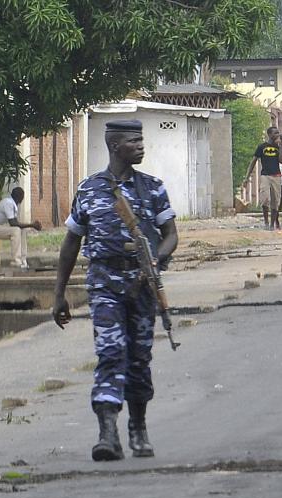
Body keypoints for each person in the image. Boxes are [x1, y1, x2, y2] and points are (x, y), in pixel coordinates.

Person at [53, 119, 178, 463]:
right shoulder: (90, 189)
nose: (141, 146)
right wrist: (58, 293)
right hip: (104, 282)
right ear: (114, 146)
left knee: (139, 357)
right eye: (133, 141)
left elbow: (171, 233)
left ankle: (137, 427)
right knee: (110, 352)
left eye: (142, 140)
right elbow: (71, 242)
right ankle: (107, 433)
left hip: (142, 285)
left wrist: (156, 260)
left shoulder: (152, 188)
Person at [0, 187, 42, 268]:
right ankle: (15, 261)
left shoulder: (12, 204)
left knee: (22, 230)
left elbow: (16, 223)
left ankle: (23, 260)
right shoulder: (8, 203)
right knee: (16, 230)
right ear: (21, 197)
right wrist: (32, 225)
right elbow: (13, 223)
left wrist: (30, 225)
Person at [242, 126, 282, 229]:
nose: (277, 135)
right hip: (265, 175)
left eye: (278, 133)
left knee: (276, 201)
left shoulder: (278, 147)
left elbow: (281, 161)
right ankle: (266, 222)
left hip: (276, 176)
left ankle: (271, 224)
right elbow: (253, 162)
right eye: (275, 133)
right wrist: (246, 178)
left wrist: (280, 148)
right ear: (269, 134)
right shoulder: (262, 147)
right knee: (265, 199)